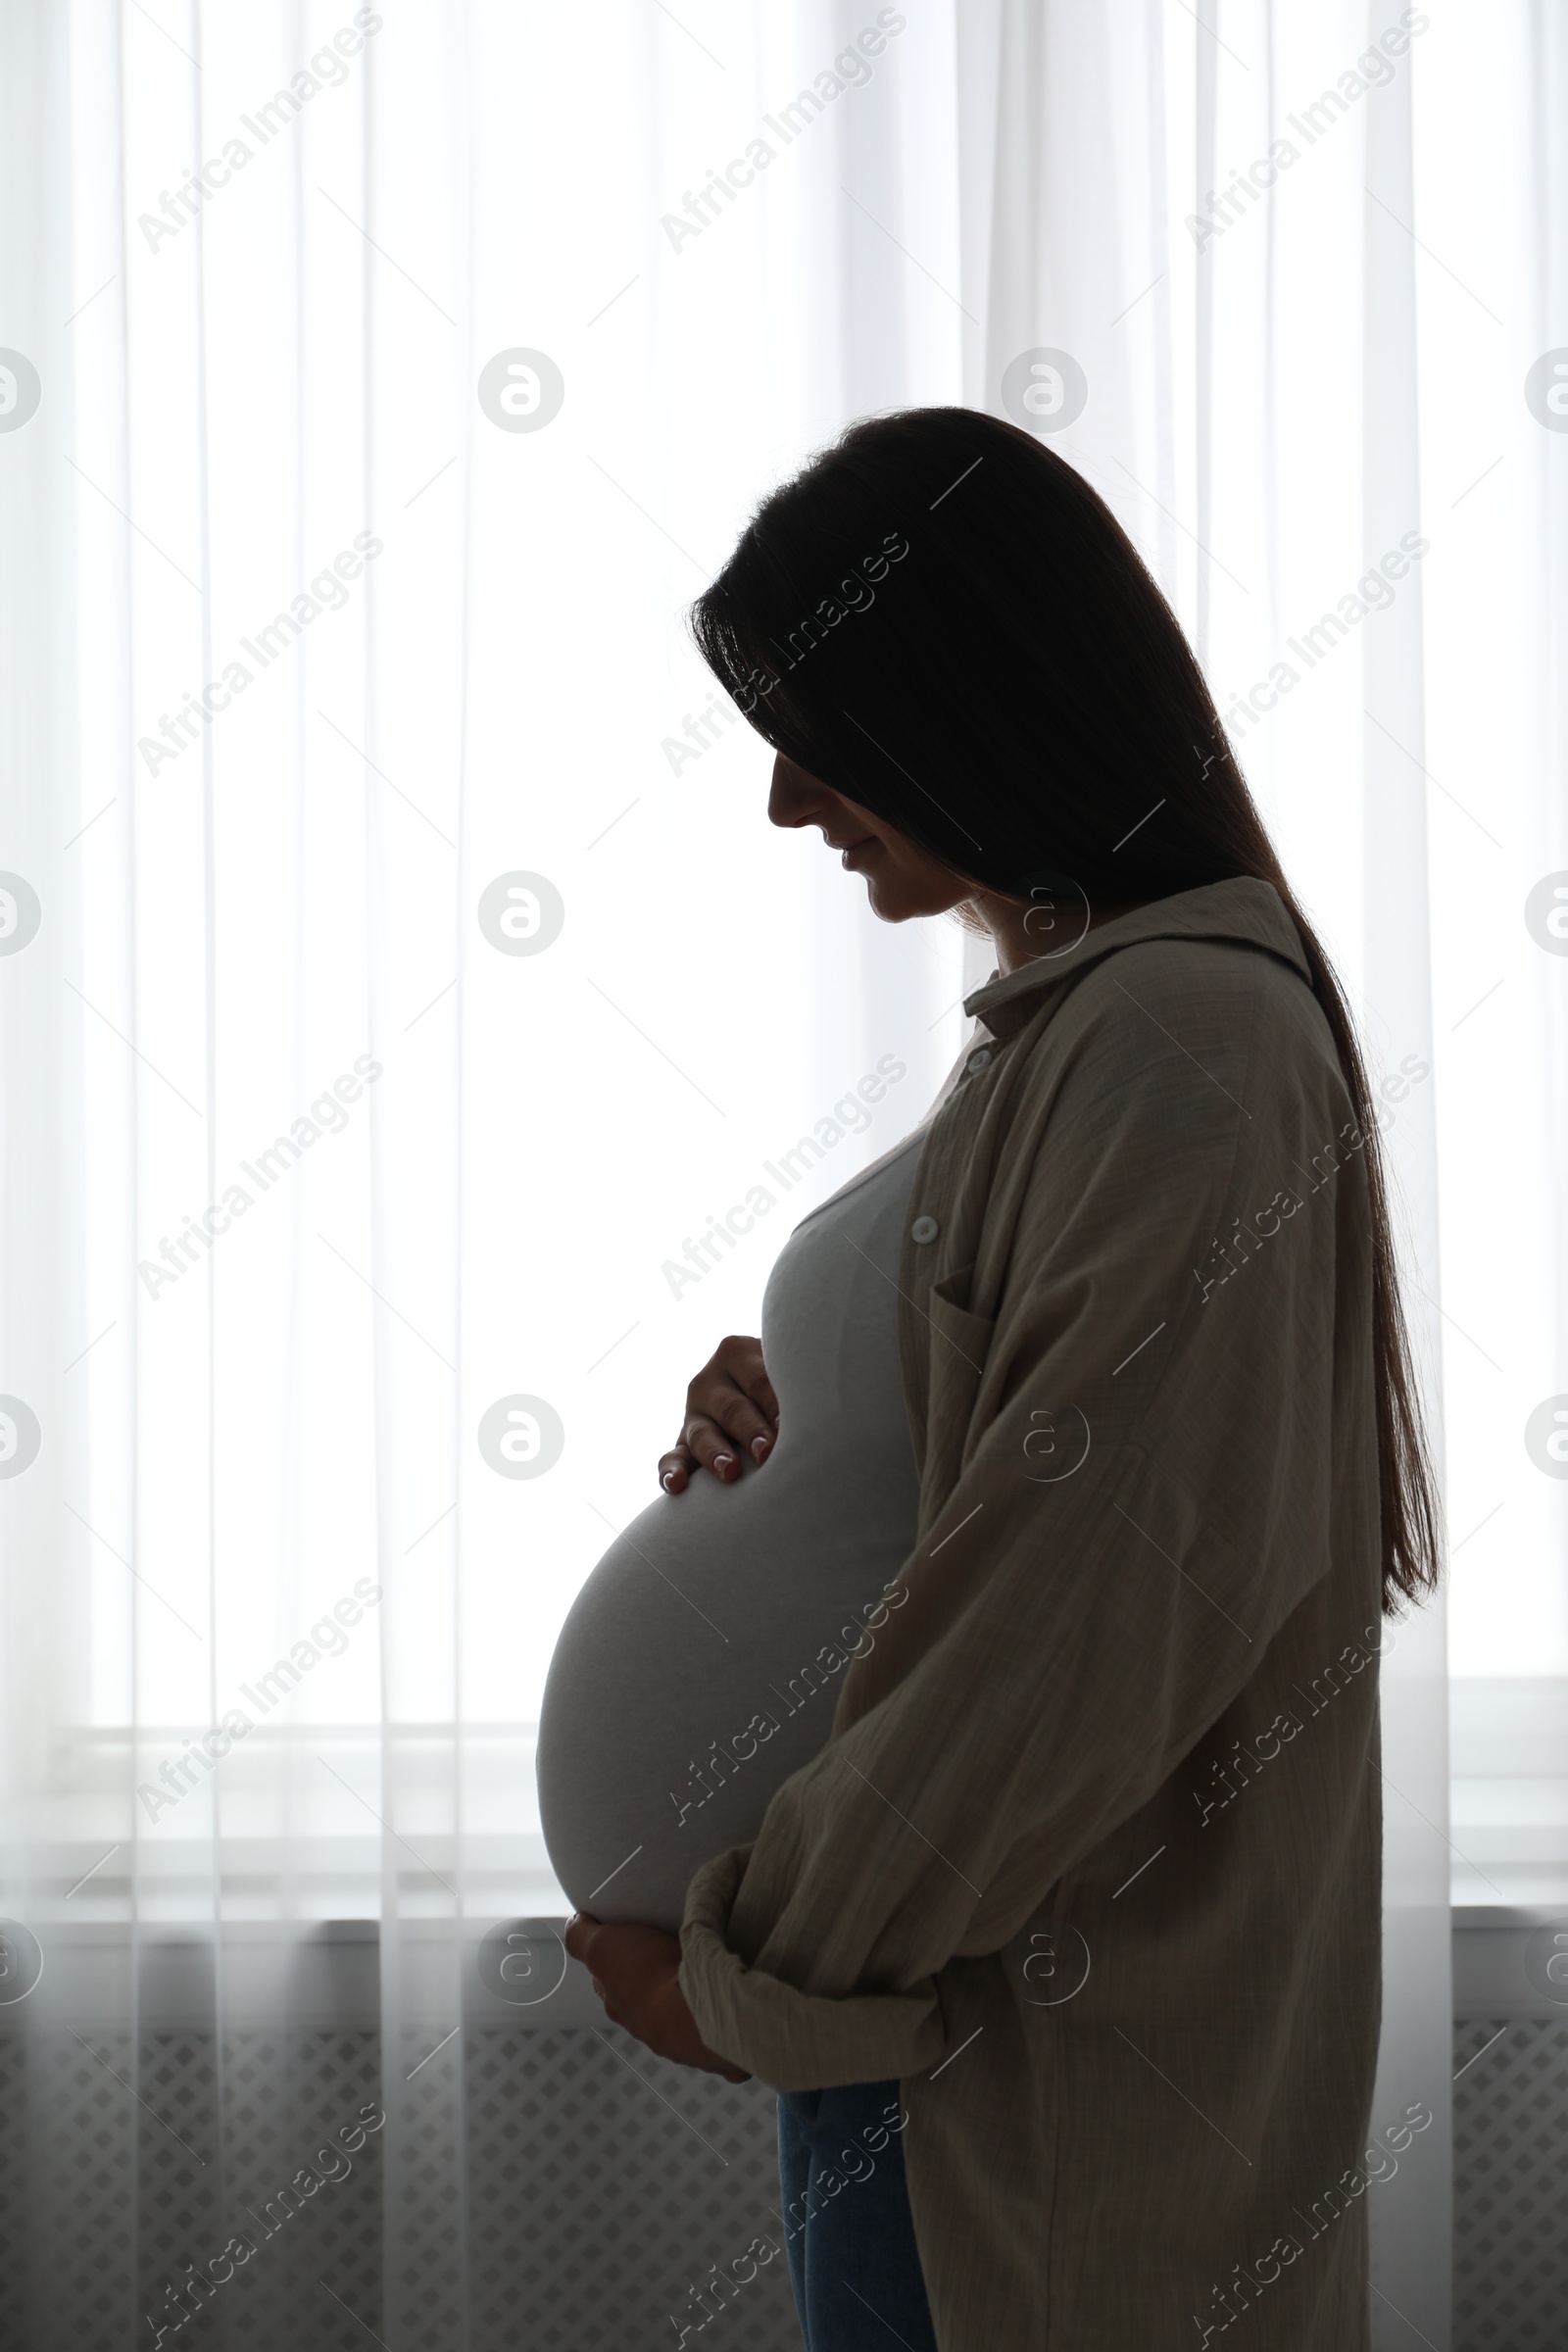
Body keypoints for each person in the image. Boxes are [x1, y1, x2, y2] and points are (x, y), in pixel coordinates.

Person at [563, 406, 1442, 2352]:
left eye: (822, 730)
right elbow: (1011, 1488)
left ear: (967, 700)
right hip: (923, 2050)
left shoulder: (1175, 1043)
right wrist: (814, 1393)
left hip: (997, 2087)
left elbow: (1071, 1633)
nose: (789, 802)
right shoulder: (1076, 1032)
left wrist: (742, 1981)